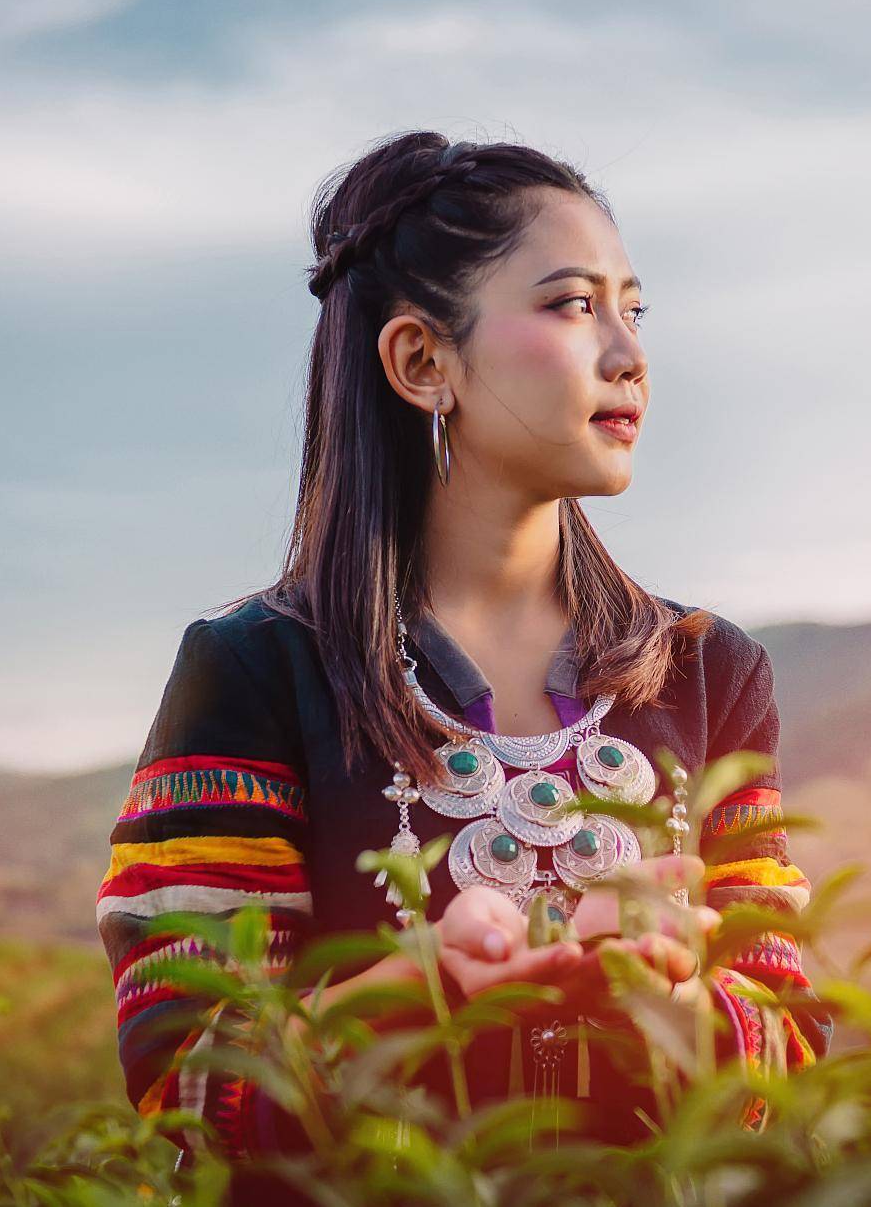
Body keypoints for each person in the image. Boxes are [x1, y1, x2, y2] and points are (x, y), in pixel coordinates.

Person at [96, 131, 831, 1199]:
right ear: (420, 361)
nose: (627, 353)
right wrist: (408, 989)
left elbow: (791, 1054)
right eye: (573, 305)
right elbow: (186, 1071)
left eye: (633, 308)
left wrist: (676, 1006)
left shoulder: (709, 673)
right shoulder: (255, 670)